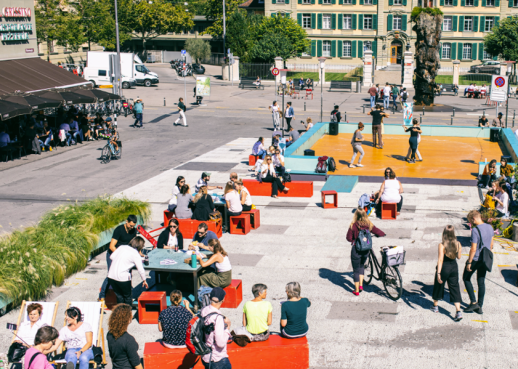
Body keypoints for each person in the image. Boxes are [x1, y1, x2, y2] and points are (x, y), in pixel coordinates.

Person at [346, 208, 386, 296]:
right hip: (366, 250)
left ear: (356, 215)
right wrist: (382, 234)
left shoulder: (353, 225)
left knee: (356, 270)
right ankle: (361, 285)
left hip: (356, 250)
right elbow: (377, 231)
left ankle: (356, 291)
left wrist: (354, 239)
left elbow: (348, 238)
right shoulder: (368, 224)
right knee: (361, 266)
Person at [99, 215, 138, 301]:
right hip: (113, 253)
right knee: (111, 274)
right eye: (130, 225)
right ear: (126, 222)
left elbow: (134, 244)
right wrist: (120, 255)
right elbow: (111, 246)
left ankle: (127, 294)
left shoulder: (133, 231)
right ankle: (101, 296)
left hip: (124, 255)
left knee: (128, 274)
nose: (131, 227)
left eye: (133, 226)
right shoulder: (119, 230)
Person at [463, 210, 494, 314]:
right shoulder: (490, 227)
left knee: (466, 278)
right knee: (481, 282)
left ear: (474, 219)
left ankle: (473, 302)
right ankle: (480, 306)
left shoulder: (475, 230)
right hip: (485, 259)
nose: (471, 224)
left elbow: (473, 249)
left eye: (470, 222)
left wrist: (469, 262)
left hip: (476, 259)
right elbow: (491, 245)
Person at [431, 225, 463, 321]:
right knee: (454, 288)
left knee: (439, 285)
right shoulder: (458, 244)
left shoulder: (442, 245)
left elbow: (440, 260)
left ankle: (435, 306)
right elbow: (459, 257)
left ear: (444, 233)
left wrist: (438, 273)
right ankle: (458, 311)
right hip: (454, 267)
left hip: (444, 267)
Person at [108, 237, 149, 305]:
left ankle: (120, 314)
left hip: (111, 276)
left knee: (119, 297)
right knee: (127, 297)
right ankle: (127, 314)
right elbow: (141, 269)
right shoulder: (135, 254)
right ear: (140, 246)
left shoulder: (121, 247)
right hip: (123, 278)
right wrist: (144, 280)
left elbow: (111, 257)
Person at [200, 287, 232, 369]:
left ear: (210, 297)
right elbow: (220, 343)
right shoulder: (218, 318)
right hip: (217, 359)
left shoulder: (204, 310)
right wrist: (227, 329)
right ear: (223, 299)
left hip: (205, 355)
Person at [106, 304, 143, 369]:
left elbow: (112, 356)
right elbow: (136, 363)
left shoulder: (109, 334)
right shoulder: (128, 339)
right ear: (127, 319)